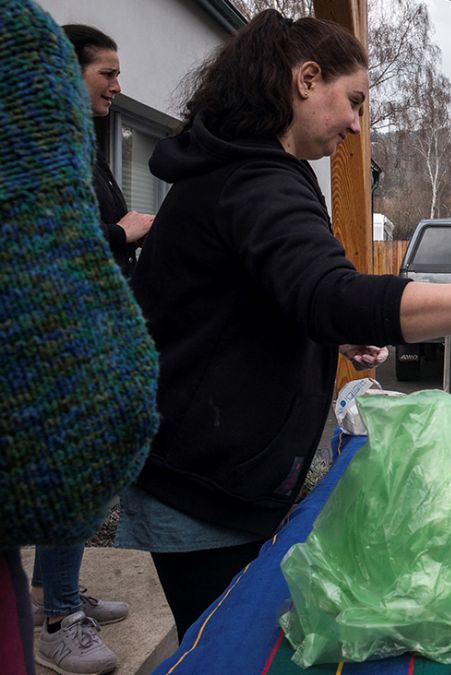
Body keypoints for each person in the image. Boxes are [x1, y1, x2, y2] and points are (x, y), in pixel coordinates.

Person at [119, 10, 451, 641]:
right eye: (354, 101)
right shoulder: (256, 178)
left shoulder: (237, 169)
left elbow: (255, 298)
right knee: (225, 648)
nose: (355, 123)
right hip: (207, 484)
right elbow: (330, 293)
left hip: (205, 468)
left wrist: (325, 331)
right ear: (307, 79)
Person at [2, 2, 159, 673]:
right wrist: (131, 230)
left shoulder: (87, 150)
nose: (117, 85)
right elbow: (78, 240)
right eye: (107, 71)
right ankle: (59, 612)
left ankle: (60, 595)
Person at [61, 24, 154, 278]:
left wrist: (132, 232)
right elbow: (48, 233)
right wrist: (121, 232)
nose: (117, 87)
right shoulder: (37, 142)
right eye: (108, 74)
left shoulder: (81, 139)